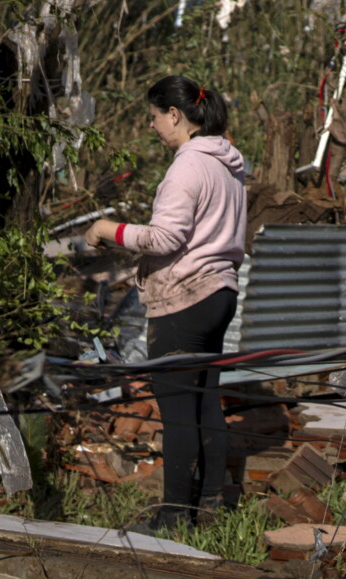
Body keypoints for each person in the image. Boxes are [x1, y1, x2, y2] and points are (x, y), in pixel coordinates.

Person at [86, 75, 245, 529]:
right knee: (205, 401)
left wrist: (107, 229)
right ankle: (213, 504)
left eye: (154, 117)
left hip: (184, 297)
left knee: (177, 410)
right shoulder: (230, 165)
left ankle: (174, 515)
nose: (152, 126)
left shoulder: (188, 166)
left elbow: (163, 237)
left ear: (174, 115)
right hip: (220, 293)